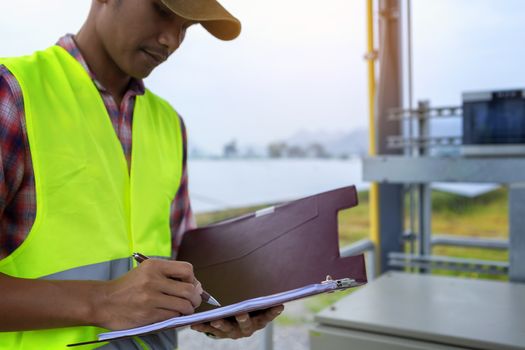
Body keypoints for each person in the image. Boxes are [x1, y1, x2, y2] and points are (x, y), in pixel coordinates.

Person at [0, 0, 283, 348]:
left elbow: (178, 264)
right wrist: (101, 301)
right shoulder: (12, 95)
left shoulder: (169, 124)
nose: (172, 40)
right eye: (163, 12)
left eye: (186, 27)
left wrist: (217, 308)